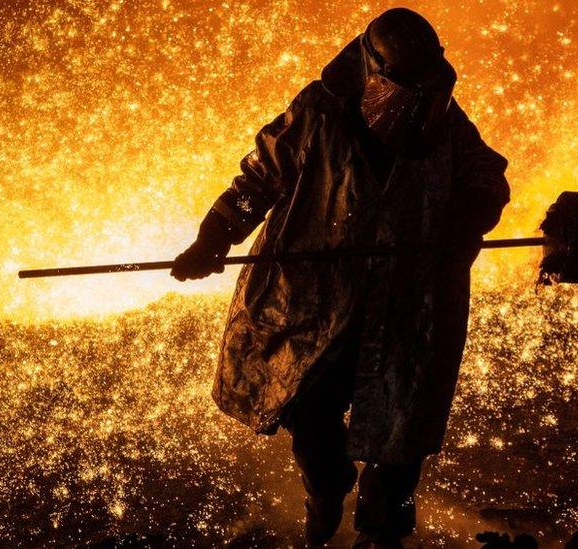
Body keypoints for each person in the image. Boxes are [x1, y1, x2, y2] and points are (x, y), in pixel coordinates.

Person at [171, 8, 509, 548]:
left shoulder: (445, 124)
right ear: (372, 71)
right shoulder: (319, 112)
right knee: (308, 411)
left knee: (400, 432)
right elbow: (258, 177)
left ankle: (380, 531)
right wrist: (214, 237)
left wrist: (468, 218)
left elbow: (487, 177)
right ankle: (326, 487)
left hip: (406, 304)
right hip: (317, 303)